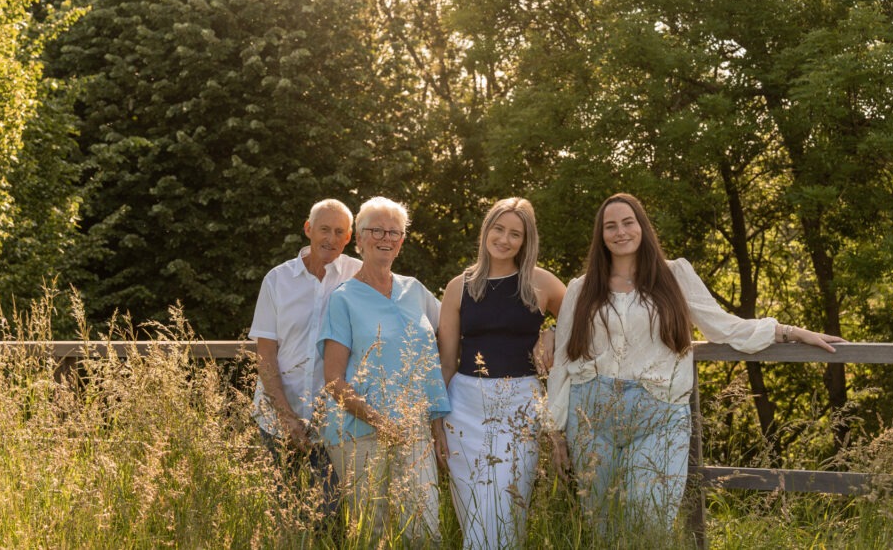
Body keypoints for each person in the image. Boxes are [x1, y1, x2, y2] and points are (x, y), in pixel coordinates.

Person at [547, 193, 844, 534]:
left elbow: (723, 325)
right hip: (590, 415)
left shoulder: (674, 275)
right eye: (610, 226)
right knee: (603, 526)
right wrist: (556, 432)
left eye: (628, 222)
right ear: (601, 236)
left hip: (658, 412)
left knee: (650, 523)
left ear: (642, 226)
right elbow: (564, 360)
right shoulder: (581, 288)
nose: (620, 232)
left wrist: (788, 331)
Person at [319, 197, 450, 544]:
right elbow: (333, 379)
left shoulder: (416, 291)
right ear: (359, 239)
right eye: (375, 230)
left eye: (394, 231)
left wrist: (436, 424)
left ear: (402, 241)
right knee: (371, 536)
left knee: (425, 531)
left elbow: (451, 341)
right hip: (361, 433)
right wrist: (380, 422)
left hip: (414, 429)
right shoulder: (343, 298)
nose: (386, 237)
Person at [437, 197, 566, 549]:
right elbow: (446, 363)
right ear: (486, 231)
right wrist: (436, 425)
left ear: (526, 241)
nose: (505, 239)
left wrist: (553, 331)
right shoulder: (458, 286)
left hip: (520, 408)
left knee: (506, 506)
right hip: (463, 409)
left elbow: (582, 324)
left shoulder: (542, 283)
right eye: (498, 229)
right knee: (474, 511)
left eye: (515, 234)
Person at [248, 199, 361, 514]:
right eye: (324, 229)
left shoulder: (359, 275)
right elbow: (266, 354)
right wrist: (285, 417)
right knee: (282, 514)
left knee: (330, 514)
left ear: (349, 237)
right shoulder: (277, 280)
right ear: (308, 229)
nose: (331, 238)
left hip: (334, 422)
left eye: (340, 232)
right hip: (277, 418)